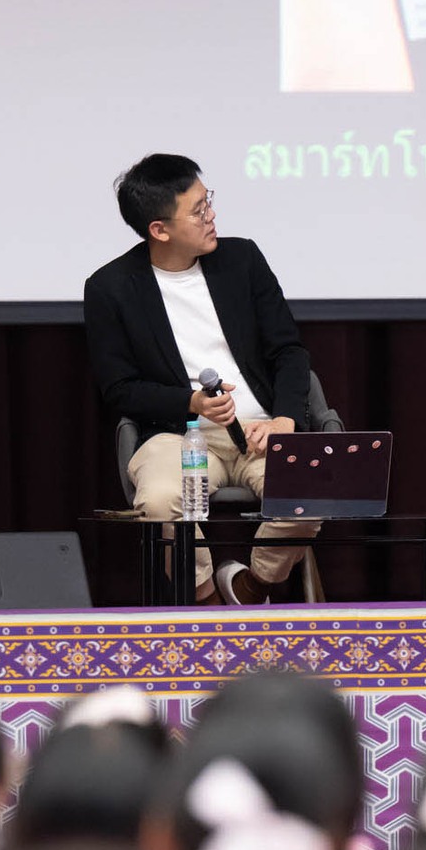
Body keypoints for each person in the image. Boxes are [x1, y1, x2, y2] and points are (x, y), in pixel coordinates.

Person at [84, 154, 318, 605]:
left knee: (313, 492)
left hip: (260, 431)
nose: (211, 216)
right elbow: (120, 389)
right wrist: (190, 402)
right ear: (159, 230)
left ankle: (251, 589)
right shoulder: (111, 288)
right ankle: (209, 603)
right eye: (198, 211)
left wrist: (285, 420)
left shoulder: (243, 259)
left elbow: (289, 351)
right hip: (179, 436)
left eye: (207, 201)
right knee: (159, 502)